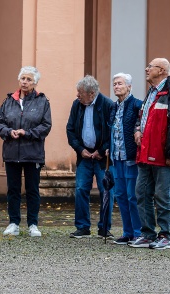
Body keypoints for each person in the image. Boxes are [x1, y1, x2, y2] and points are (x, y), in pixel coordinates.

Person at [129, 58, 170, 250]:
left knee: (162, 195)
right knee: (142, 193)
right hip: (145, 153)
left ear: (161, 70)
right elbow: (142, 116)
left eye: (150, 66)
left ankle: (165, 236)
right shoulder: (151, 93)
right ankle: (147, 234)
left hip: (164, 156)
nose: (146, 69)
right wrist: (137, 130)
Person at [0, 66, 52, 237]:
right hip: (12, 152)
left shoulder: (42, 101)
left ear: (35, 83)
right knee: (13, 189)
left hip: (32, 153)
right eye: (23, 79)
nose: (25, 82)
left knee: (32, 190)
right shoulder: (9, 100)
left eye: (29, 79)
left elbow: (46, 126)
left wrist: (27, 133)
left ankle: (33, 224)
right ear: (19, 80)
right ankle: (13, 223)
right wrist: (7, 132)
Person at [66, 75, 114, 239]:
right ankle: (82, 227)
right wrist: (80, 149)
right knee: (80, 189)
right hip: (84, 156)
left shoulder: (107, 105)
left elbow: (113, 133)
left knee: (106, 191)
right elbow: (70, 129)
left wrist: (102, 150)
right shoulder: (77, 105)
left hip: (102, 158)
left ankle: (104, 228)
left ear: (91, 94)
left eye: (80, 93)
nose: (77, 96)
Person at [109, 73, 143, 245]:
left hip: (131, 158)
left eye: (120, 83)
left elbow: (141, 125)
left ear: (129, 86)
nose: (116, 87)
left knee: (132, 196)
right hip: (117, 158)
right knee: (120, 195)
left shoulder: (137, 104)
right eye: (114, 84)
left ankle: (138, 232)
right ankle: (127, 232)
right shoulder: (113, 107)